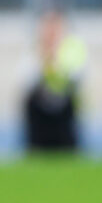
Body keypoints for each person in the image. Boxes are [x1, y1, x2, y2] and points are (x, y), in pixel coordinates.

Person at [22, 10, 87, 152]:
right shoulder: (34, 51)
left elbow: (77, 76)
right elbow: (26, 80)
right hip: (40, 114)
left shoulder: (71, 50)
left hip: (63, 113)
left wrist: (56, 62)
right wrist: (44, 59)